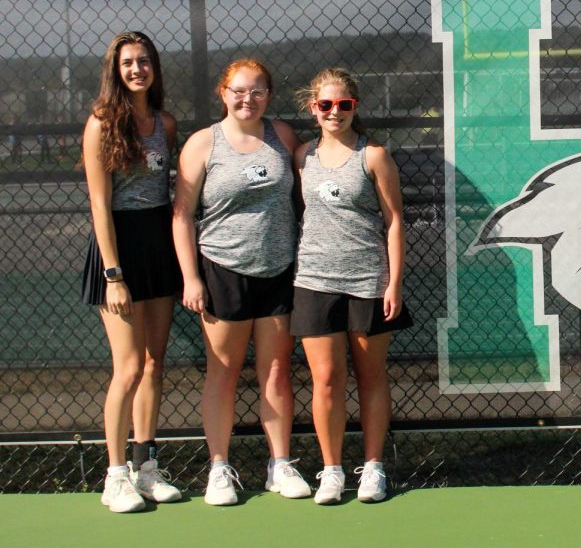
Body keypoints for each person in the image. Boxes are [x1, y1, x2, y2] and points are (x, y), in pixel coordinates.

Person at [173, 58, 310, 505]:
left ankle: (280, 464)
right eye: (238, 90)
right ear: (223, 92)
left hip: (278, 272)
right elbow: (181, 215)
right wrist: (191, 277)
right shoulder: (201, 144)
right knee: (224, 372)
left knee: (275, 372)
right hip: (221, 271)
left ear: (268, 95)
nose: (246, 99)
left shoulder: (283, 137)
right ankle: (218, 468)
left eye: (256, 91)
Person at [291, 69, 410, 504]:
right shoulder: (301, 155)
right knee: (325, 379)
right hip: (314, 281)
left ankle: (374, 468)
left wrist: (393, 283)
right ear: (313, 108)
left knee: (370, 376)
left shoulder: (373, 155)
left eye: (344, 105)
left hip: (367, 282)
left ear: (355, 107)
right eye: (326, 105)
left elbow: (394, 220)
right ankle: (331, 471)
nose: (334, 112)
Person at [81, 31, 183, 513]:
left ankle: (146, 468)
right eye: (127, 62)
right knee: (127, 368)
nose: (136, 68)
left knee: (152, 364)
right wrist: (113, 272)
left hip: (158, 247)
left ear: (154, 68)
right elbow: (100, 204)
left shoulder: (165, 122)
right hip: (118, 252)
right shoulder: (101, 124)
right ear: (115, 70)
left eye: (144, 61)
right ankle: (114, 476)